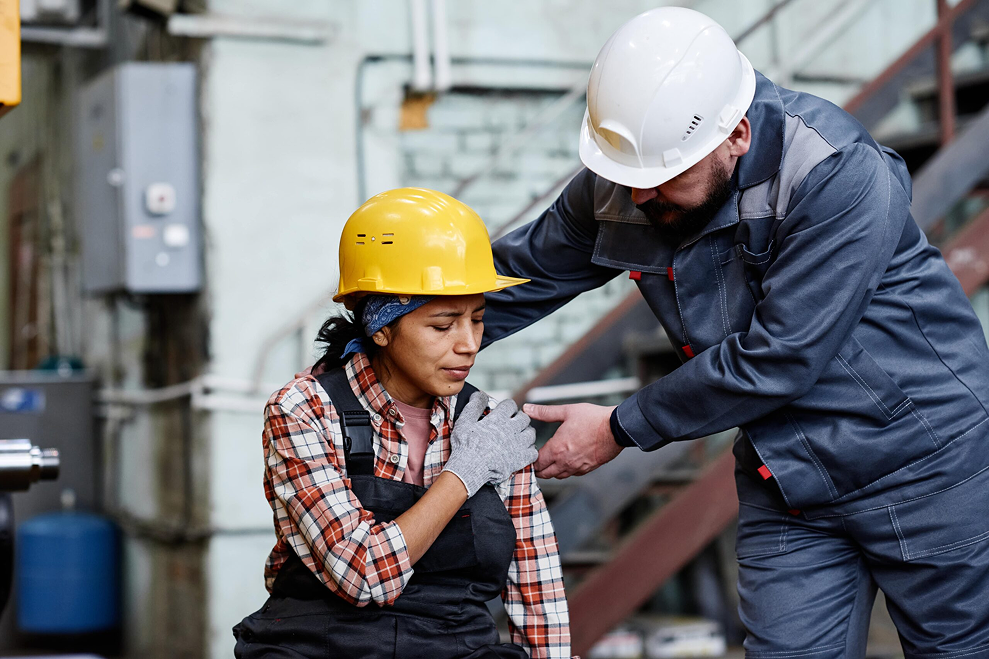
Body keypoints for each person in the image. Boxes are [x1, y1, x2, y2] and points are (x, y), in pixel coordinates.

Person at [482, 6, 989, 658]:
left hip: (924, 466)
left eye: (663, 179)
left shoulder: (835, 173)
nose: (640, 199)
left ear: (737, 136)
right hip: (790, 482)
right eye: (629, 178)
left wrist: (617, 427)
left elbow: (779, 356)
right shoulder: (629, 182)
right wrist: (371, 335)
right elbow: (513, 275)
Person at [234, 188, 571, 659]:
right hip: (317, 647)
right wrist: (465, 473)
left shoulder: (490, 425)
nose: (469, 344)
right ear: (381, 327)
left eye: (477, 320)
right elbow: (363, 574)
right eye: (442, 325)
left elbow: (536, 583)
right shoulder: (304, 411)